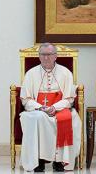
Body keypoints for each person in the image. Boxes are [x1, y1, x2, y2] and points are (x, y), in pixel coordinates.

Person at [19, 43, 82, 172]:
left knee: (72, 118)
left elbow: (69, 99)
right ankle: (38, 161)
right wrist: (40, 107)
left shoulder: (65, 73)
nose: (46, 58)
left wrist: (55, 107)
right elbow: (26, 99)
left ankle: (60, 161)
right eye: (43, 55)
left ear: (55, 56)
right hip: (37, 110)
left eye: (49, 55)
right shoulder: (31, 74)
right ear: (39, 56)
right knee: (36, 118)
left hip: (60, 108)